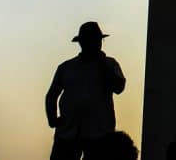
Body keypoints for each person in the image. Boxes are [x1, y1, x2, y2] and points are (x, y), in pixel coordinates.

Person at [45, 21, 126, 160]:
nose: (95, 44)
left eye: (97, 40)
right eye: (91, 40)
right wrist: (52, 119)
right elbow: (52, 95)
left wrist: (102, 65)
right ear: (82, 43)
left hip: (99, 134)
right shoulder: (66, 67)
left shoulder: (110, 64)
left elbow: (119, 87)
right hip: (68, 132)